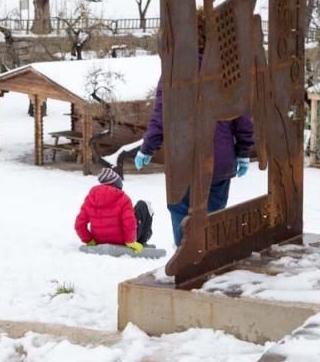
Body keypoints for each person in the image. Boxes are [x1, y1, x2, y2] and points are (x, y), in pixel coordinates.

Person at [134, 84, 255, 247]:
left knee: (181, 213)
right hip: (218, 160)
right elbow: (241, 113)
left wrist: (147, 148)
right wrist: (244, 149)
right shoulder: (226, 63)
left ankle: (184, 259)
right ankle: (210, 255)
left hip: (182, 160)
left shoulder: (173, 65)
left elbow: (162, 115)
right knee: (213, 214)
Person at [75, 168, 153, 253]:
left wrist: (89, 240)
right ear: (116, 183)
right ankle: (142, 241)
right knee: (144, 205)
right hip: (123, 240)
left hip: (99, 240)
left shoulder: (90, 199)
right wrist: (130, 241)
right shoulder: (124, 199)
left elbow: (79, 225)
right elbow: (129, 222)